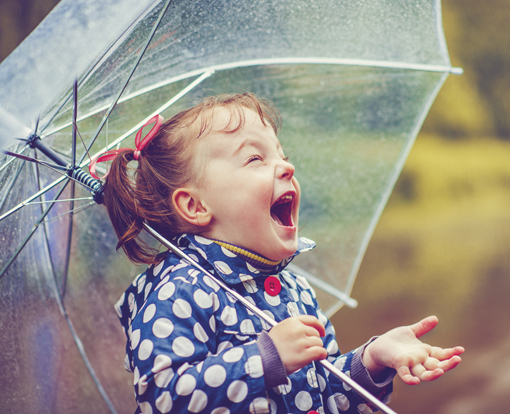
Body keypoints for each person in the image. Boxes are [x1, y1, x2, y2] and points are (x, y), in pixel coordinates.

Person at [95, 93, 464, 414]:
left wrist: (373, 359)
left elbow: (325, 395)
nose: (286, 166)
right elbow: (163, 400)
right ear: (194, 205)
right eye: (255, 159)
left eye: (281, 155)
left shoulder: (295, 290)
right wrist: (265, 357)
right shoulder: (177, 293)